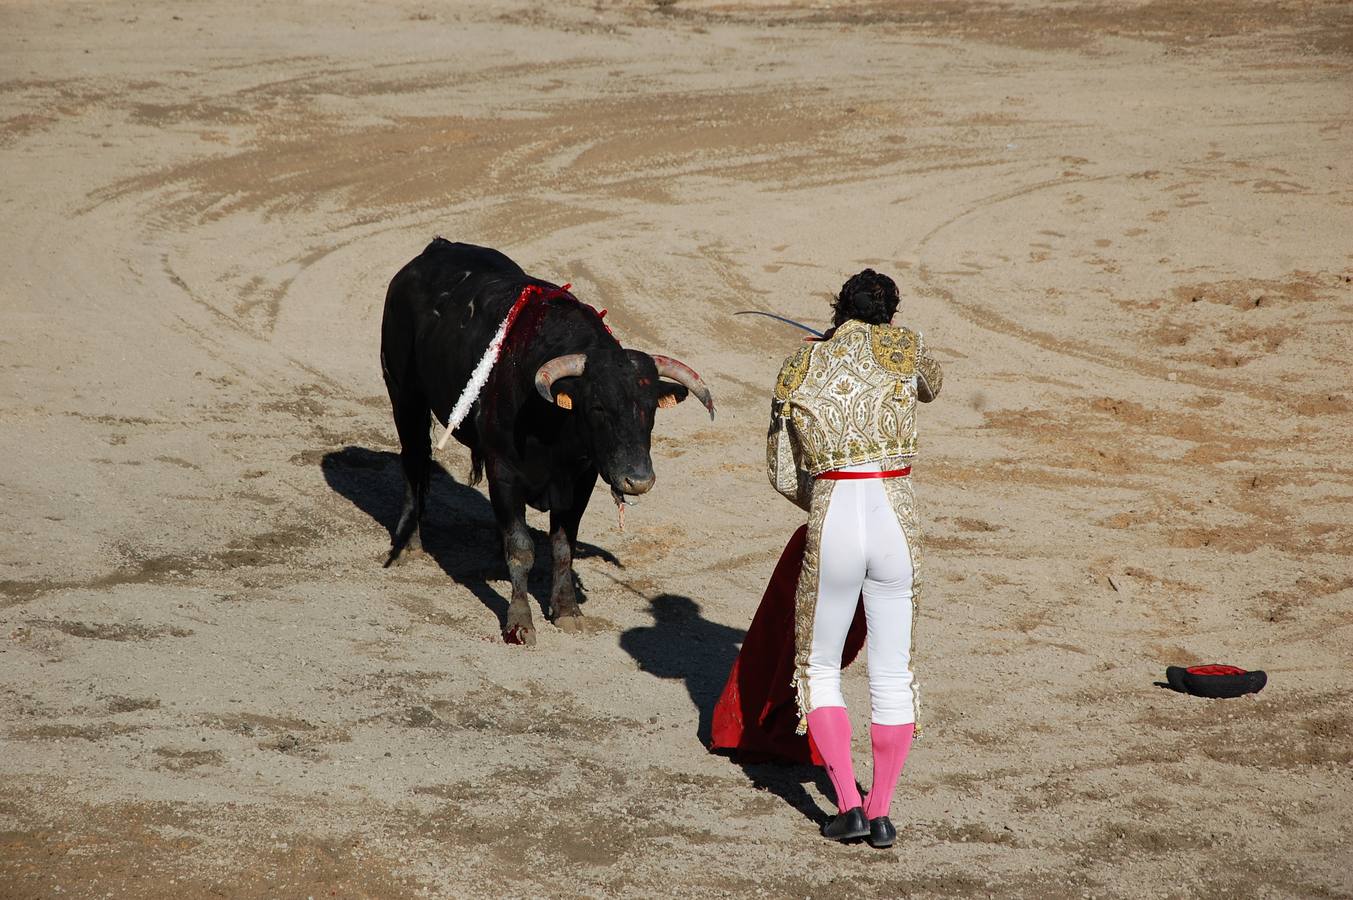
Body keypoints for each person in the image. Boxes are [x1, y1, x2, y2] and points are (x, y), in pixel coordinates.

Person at [713, 269, 942, 848]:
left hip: (835, 513)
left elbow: (781, 471)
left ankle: (847, 807)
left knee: (818, 667)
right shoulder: (904, 346)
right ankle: (882, 811)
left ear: (837, 309)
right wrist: (883, 339)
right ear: (890, 312)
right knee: (894, 672)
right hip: (896, 517)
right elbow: (932, 385)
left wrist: (821, 504)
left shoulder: (798, 364)